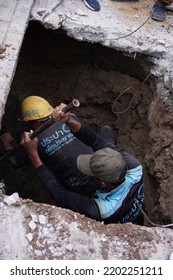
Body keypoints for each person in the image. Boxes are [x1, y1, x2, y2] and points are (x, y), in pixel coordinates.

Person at [20, 104, 144, 225]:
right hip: (138, 212)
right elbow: (95, 140)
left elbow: (59, 194)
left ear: (102, 183)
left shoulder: (102, 209)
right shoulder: (136, 169)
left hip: (121, 227)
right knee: (105, 135)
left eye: (91, 172)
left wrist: (33, 155)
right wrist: (68, 120)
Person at [0, 95, 113, 197]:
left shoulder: (33, 141)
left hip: (76, 186)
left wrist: (7, 144)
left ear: (33, 123)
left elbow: (14, 162)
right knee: (105, 131)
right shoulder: (71, 118)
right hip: (100, 172)